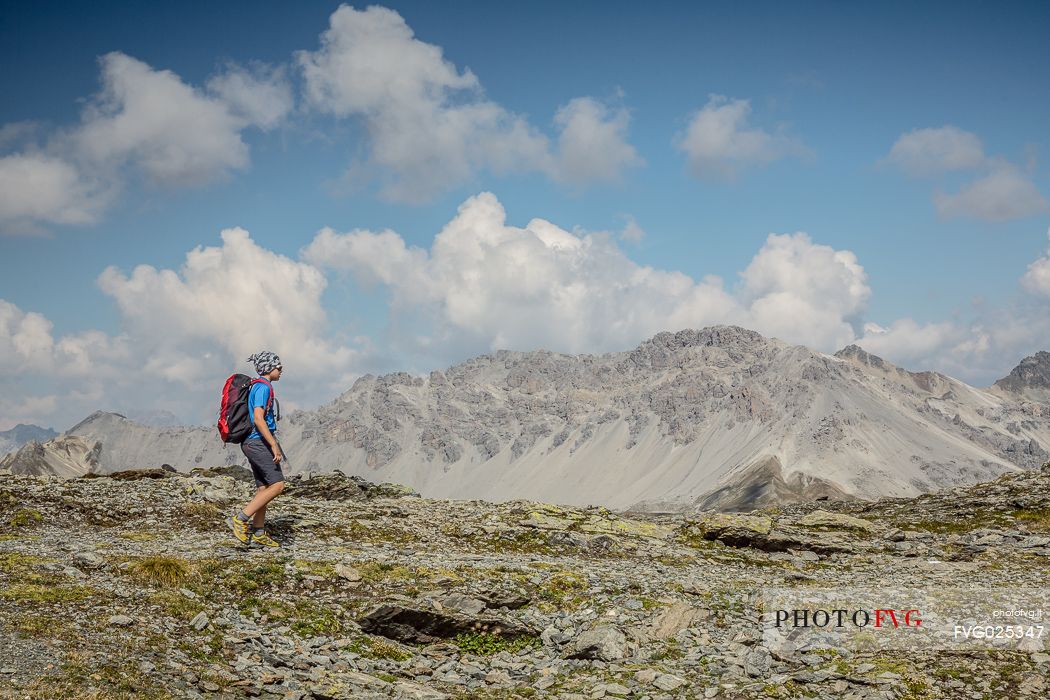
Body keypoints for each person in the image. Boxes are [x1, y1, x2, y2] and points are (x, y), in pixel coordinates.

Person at [229, 351, 285, 548]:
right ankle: (240, 519)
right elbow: (259, 419)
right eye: (278, 366)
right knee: (277, 485)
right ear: (269, 368)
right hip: (257, 441)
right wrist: (273, 444)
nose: (281, 370)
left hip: (250, 442)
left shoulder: (257, 386)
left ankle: (259, 532)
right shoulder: (263, 388)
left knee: (264, 488)